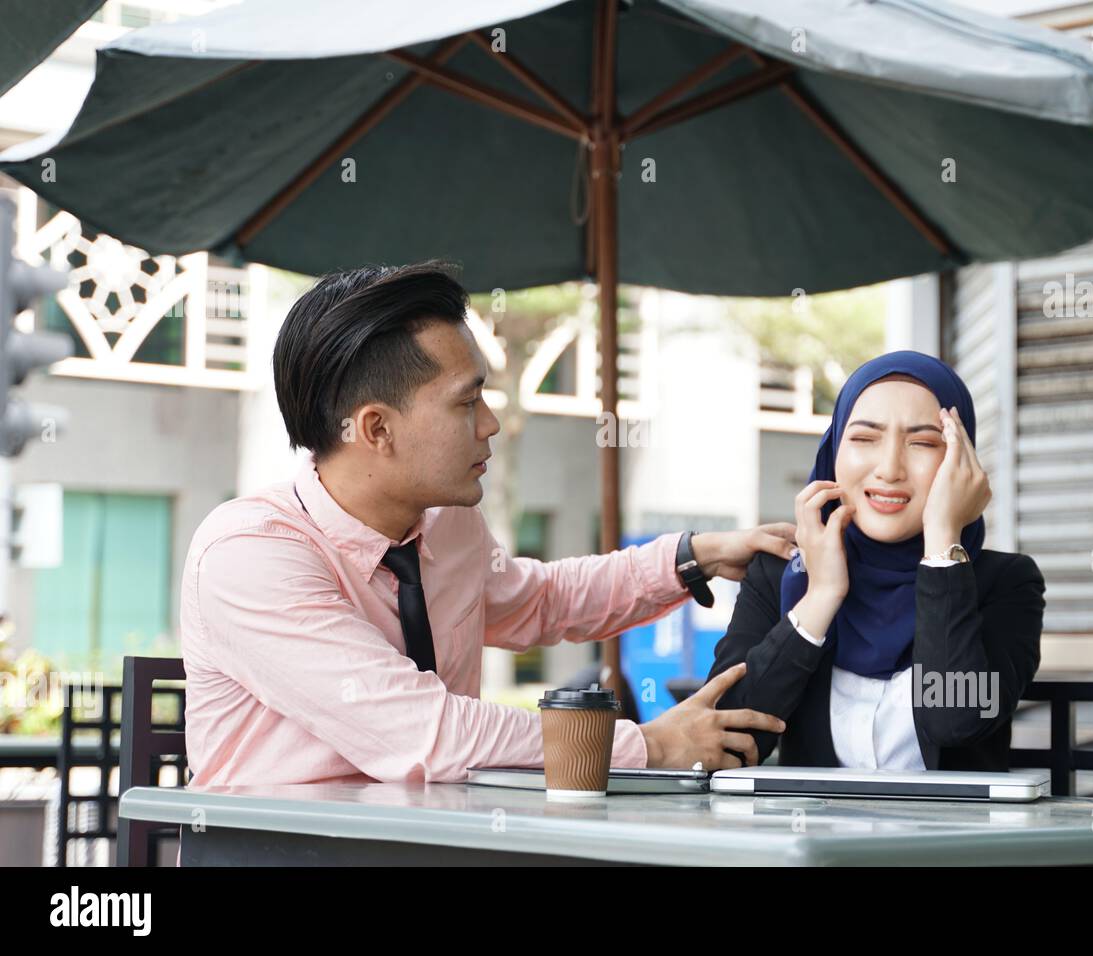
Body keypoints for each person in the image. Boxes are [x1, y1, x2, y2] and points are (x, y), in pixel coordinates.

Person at [180, 260, 792, 786]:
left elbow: (541, 601)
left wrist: (691, 558)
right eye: (467, 401)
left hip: (432, 844)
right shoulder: (250, 554)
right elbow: (428, 734)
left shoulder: (445, 524)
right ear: (375, 429)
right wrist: (648, 747)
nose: (490, 423)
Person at [708, 350, 1045, 771]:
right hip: (812, 835)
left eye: (922, 443)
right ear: (833, 451)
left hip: (950, 836)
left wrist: (943, 544)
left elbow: (956, 720)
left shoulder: (1006, 583)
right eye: (865, 438)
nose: (889, 469)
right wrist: (822, 596)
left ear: (960, 463)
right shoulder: (778, 574)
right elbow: (726, 739)